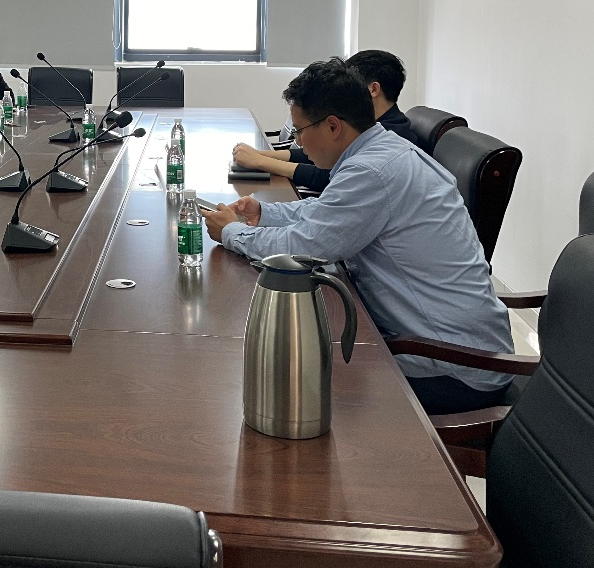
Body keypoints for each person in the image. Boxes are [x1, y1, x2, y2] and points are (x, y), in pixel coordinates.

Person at [200, 58, 515, 416]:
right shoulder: (381, 150)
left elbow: (305, 247)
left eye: (300, 130)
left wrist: (232, 233)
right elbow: (328, 212)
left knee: (289, 376)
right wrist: (264, 214)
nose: (298, 141)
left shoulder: (372, 170)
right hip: (452, 345)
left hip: (452, 366)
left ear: (333, 126)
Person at [232, 49, 421, 192]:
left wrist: (260, 162)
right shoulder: (366, 128)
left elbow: (329, 177)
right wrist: (260, 155)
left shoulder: (392, 138)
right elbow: (312, 154)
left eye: (353, 82)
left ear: (373, 89)